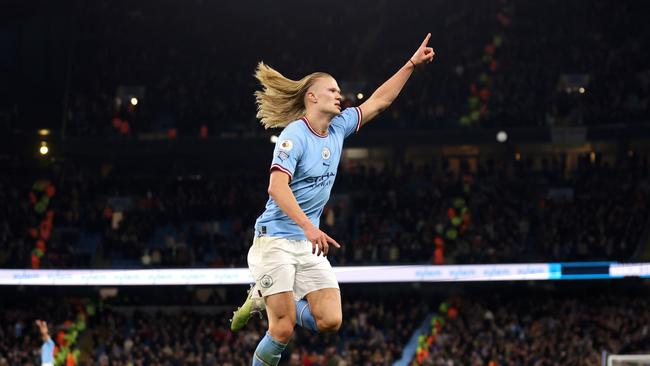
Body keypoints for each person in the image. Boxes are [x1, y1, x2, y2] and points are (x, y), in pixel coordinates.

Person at [231, 33, 435, 366]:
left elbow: (379, 101)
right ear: (312, 97)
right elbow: (276, 188)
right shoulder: (294, 135)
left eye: (339, 91)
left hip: (305, 244)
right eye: (332, 90)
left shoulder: (338, 128)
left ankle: (262, 295)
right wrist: (310, 229)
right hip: (276, 241)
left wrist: (411, 64)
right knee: (281, 329)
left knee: (330, 320)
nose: (339, 95)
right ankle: (268, 300)